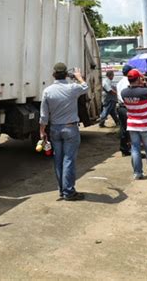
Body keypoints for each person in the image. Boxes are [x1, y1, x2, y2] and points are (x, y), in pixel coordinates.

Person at [39, 63, 88, 201]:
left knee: (58, 160)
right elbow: (85, 87)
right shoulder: (72, 88)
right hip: (70, 128)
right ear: (66, 74)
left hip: (55, 129)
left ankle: (62, 189)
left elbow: (44, 115)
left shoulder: (47, 91)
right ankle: (68, 191)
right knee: (69, 160)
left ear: (53, 74)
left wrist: (42, 131)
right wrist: (79, 77)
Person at [121, 69, 147, 180]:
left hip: (132, 125)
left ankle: (137, 173)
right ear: (139, 79)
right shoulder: (145, 92)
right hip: (145, 124)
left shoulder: (124, 92)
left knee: (135, 149)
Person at [116, 64, 133, 156]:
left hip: (121, 107)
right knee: (130, 128)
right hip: (127, 107)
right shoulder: (128, 82)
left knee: (123, 128)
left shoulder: (119, 82)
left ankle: (124, 148)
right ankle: (130, 148)